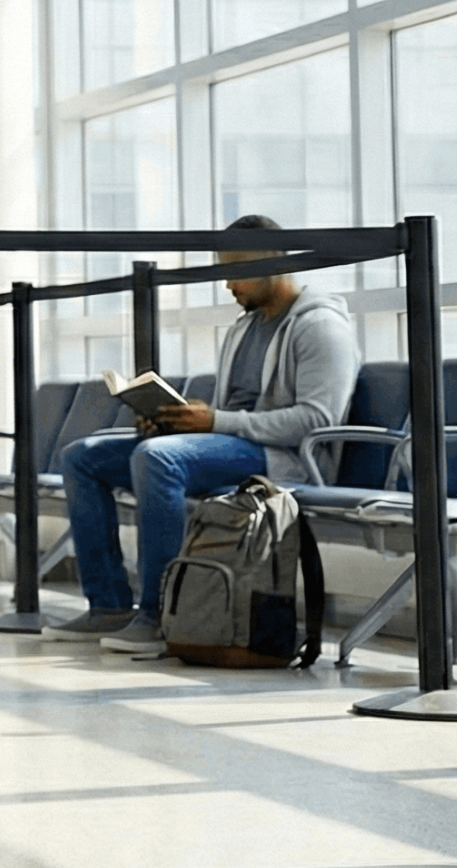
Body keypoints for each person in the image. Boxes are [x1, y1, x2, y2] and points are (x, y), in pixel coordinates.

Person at [46, 215, 358, 653]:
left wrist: (215, 422)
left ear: (272, 262)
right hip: (230, 445)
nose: (227, 284)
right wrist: (171, 420)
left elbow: (315, 421)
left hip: (284, 459)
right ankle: (109, 605)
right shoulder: (243, 328)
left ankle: (160, 614)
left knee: (158, 459)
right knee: (81, 457)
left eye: (234, 271)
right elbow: (228, 413)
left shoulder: (320, 326)